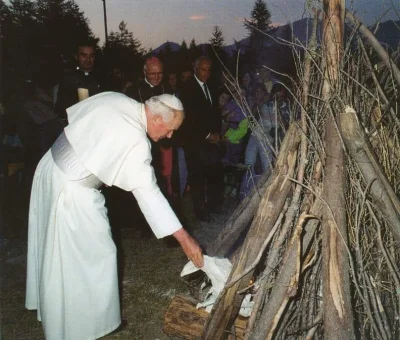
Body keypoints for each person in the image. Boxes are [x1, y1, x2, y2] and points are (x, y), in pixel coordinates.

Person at [25, 92, 204, 340]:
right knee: (96, 255)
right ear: (156, 118)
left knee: (59, 252)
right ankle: (84, 325)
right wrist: (186, 239)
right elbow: (149, 194)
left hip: (49, 167)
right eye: (171, 129)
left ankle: (71, 315)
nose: (170, 136)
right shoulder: (137, 140)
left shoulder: (117, 98)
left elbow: (78, 123)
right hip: (72, 190)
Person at [179, 56, 223, 221]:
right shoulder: (186, 88)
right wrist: (206, 134)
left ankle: (212, 205)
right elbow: (189, 118)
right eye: (203, 69)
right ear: (195, 68)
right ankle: (200, 210)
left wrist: (216, 133)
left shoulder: (210, 87)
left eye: (209, 70)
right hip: (195, 140)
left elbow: (215, 113)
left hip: (211, 140)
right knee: (196, 176)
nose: (206, 73)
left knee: (213, 172)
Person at [55, 41, 103, 124]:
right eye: (84, 55)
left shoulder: (104, 77)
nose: (88, 59)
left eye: (91, 56)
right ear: (76, 57)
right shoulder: (68, 80)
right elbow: (60, 108)